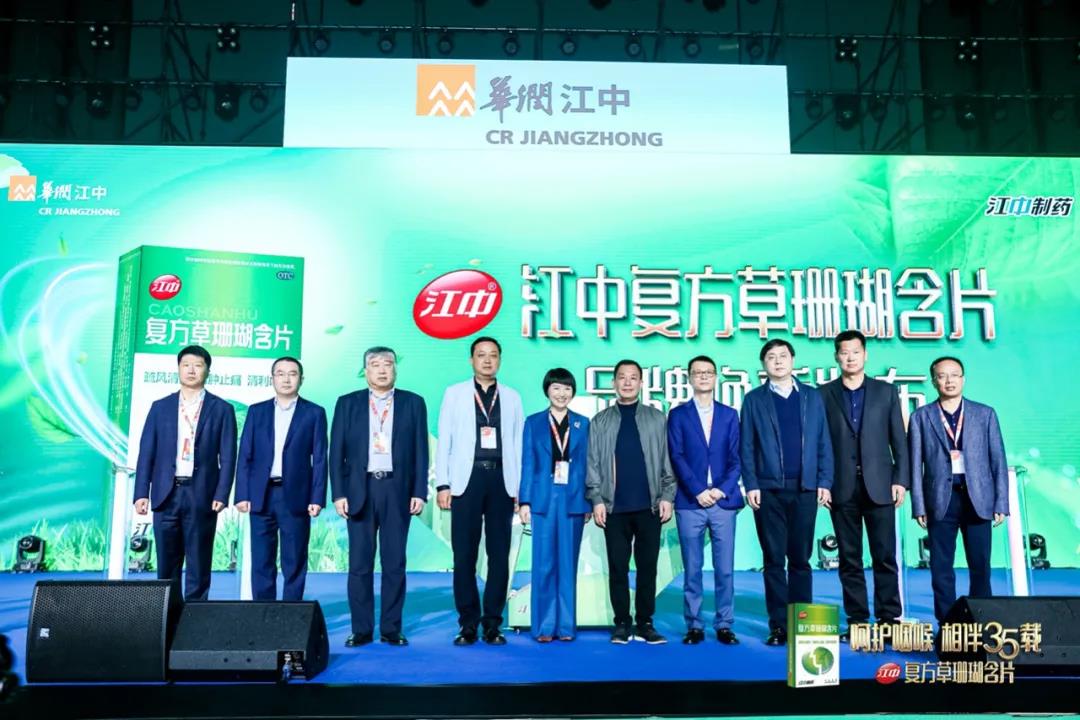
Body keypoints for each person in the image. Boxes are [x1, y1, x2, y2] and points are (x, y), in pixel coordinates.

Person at [329, 347, 429, 647]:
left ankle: (390, 628)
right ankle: (361, 629)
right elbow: (336, 452)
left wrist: (419, 491)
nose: (382, 370)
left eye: (388, 364)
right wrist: (339, 493)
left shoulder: (413, 403)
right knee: (359, 564)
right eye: (375, 364)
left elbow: (421, 451)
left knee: (394, 562)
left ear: (395, 369)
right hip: (360, 490)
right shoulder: (348, 403)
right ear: (365, 371)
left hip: (397, 489)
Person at [740, 339, 834, 646]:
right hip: (768, 491)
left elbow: (823, 441)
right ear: (764, 364)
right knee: (773, 560)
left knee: (801, 559)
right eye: (771, 357)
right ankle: (779, 626)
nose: (778, 361)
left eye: (783, 356)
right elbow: (747, 446)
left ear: (793, 360)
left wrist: (824, 481)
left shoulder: (811, 396)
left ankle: (802, 623)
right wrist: (751, 484)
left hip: (805, 489)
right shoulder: (754, 400)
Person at [435, 337, 524, 646]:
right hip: (466, 480)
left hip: (502, 480)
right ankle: (468, 623)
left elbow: (518, 444)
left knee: (499, 555)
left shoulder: (512, 397)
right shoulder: (455, 393)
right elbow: (444, 440)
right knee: (464, 555)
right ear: (471, 359)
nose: (487, 360)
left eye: (493, 355)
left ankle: (493, 623)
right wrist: (443, 483)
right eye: (481, 355)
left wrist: (520, 489)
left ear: (500, 360)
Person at [820, 331, 909, 640]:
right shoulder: (823, 394)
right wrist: (822, 482)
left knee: (885, 556)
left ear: (865, 354)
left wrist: (901, 480)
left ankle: (889, 619)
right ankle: (857, 620)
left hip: (881, 485)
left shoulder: (886, 392)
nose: (850, 357)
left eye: (855, 352)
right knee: (849, 558)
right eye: (844, 352)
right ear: (836, 356)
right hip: (840, 487)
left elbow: (899, 440)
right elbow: (818, 444)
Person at [133, 345, 237, 601]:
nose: (191, 370)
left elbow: (228, 456)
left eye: (198, 365)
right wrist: (141, 493)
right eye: (186, 365)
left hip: (201, 494)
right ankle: (168, 615)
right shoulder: (160, 407)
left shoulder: (222, 409)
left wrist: (222, 494)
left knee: (199, 561)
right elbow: (146, 453)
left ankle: (194, 617)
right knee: (167, 563)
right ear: (178, 369)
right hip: (165, 494)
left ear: (208, 371)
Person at [910, 356, 1008, 623]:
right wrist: (919, 505)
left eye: (954, 375)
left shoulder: (985, 414)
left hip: (978, 498)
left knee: (980, 565)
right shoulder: (921, 417)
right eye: (942, 376)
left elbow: (998, 460)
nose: (949, 381)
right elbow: (914, 465)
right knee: (940, 568)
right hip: (940, 500)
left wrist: (1001, 502)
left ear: (963, 379)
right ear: (934, 381)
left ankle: (981, 622)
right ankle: (947, 624)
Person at [586, 359, 676, 645]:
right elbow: (592, 464)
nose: (627, 382)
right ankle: (622, 623)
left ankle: (646, 622)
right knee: (618, 568)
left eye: (633, 377)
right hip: (614, 508)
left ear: (641, 383)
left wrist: (668, 495)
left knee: (648, 568)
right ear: (613, 382)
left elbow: (667, 460)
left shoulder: (657, 418)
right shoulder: (600, 421)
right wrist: (596, 499)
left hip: (650, 507)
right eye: (622, 377)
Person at [235, 356, 327, 602]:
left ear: (301, 379)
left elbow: (320, 459)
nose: (286, 379)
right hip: (261, 495)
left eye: (292, 374)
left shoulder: (314, 413)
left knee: (294, 560)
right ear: (272, 379)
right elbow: (245, 455)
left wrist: (317, 498)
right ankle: (262, 614)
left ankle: (291, 613)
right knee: (261, 560)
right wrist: (242, 494)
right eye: (281, 374)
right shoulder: (257, 411)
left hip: (296, 496)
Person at [667, 355, 742, 645]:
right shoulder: (678, 414)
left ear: (716, 377)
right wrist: (698, 490)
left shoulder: (729, 414)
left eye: (708, 372)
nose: (703, 376)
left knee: (725, 569)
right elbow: (676, 455)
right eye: (698, 372)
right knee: (692, 568)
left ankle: (724, 624)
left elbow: (737, 458)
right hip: (690, 501)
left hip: (723, 501)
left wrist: (721, 489)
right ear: (689, 377)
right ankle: (694, 625)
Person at [518, 368, 592, 642]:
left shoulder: (583, 423)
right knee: (543, 564)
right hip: (543, 499)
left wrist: (588, 501)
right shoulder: (534, 422)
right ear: (547, 390)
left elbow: (588, 465)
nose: (562, 394)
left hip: (574, 499)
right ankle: (544, 627)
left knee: (568, 564)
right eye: (556, 388)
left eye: (567, 389)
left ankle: (566, 627)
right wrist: (524, 500)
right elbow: (528, 463)